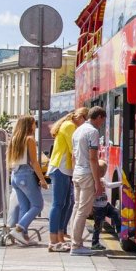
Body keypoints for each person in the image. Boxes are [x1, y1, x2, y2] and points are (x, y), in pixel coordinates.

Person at [46, 107, 88, 252]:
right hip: (61, 168)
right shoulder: (70, 126)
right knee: (58, 204)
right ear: (81, 117)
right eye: (85, 120)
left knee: (64, 203)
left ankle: (59, 236)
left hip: (62, 168)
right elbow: (74, 150)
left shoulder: (68, 124)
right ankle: (53, 240)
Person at [69, 106, 107, 256]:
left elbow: (73, 156)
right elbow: (93, 158)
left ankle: (75, 242)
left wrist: (74, 173)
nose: (101, 124)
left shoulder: (77, 130)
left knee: (76, 209)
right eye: (102, 121)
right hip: (86, 175)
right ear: (98, 117)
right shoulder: (93, 132)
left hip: (77, 173)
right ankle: (76, 246)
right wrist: (97, 182)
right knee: (83, 212)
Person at [7, 116, 49, 246]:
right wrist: (42, 179)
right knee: (38, 205)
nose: (35, 126)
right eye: (34, 123)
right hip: (26, 175)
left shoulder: (14, 139)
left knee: (25, 207)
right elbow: (34, 162)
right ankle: (19, 229)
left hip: (15, 175)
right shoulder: (29, 139)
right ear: (29, 125)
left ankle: (23, 236)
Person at [90, 160, 122, 251]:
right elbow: (89, 195)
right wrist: (90, 207)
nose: (104, 173)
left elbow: (109, 185)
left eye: (104, 171)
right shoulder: (92, 181)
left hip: (106, 205)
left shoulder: (103, 180)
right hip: (98, 208)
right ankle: (95, 243)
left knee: (116, 213)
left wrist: (120, 183)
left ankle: (119, 231)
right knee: (98, 226)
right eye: (102, 171)